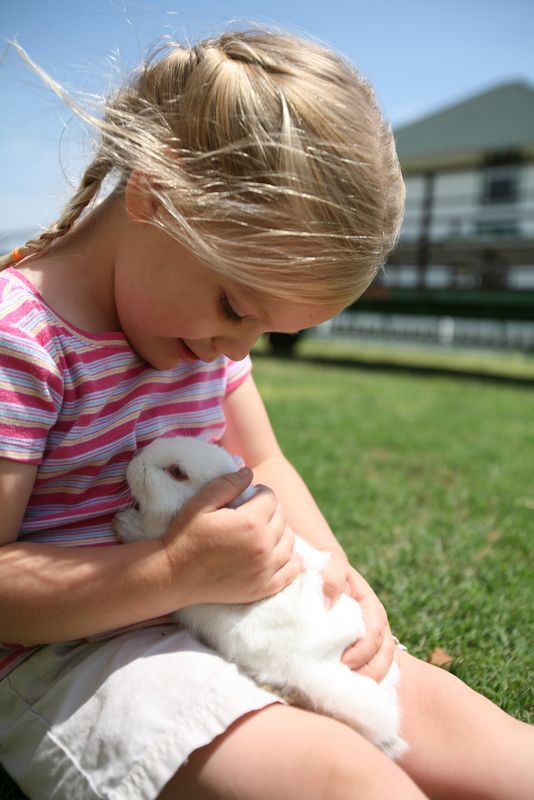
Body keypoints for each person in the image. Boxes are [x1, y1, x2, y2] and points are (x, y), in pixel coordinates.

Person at [0, 27, 532, 800]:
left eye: (263, 332)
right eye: (234, 306)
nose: (231, 352)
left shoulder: (200, 337)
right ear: (154, 192)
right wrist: (170, 572)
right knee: (342, 779)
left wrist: (341, 580)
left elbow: (268, 462)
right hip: (78, 655)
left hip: (238, 610)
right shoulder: (24, 343)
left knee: (465, 729)